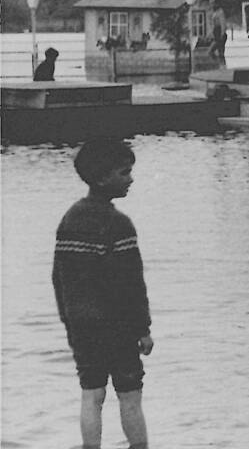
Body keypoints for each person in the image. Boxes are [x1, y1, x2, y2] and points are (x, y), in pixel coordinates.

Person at [53, 138, 153, 449]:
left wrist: (69, 321)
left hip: (82, 325)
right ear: (101, 178)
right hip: (119, 325)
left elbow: (59, 279)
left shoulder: (69, 220)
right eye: (124, 173)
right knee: (130, 395)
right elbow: (132, 284)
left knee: (91, 392)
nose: (130, 179)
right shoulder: (119, 224)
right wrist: (143, 329)